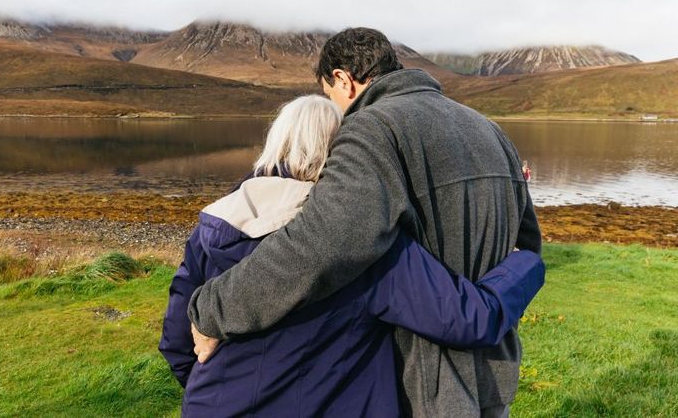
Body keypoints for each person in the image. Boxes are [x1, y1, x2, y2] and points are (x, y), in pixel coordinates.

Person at [188, 28, 543, 417]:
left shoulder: (372, 127)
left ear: (344, 79)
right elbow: (526, 245)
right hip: (495, 367)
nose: (338, 113)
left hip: (425, 384)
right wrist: (494, 304)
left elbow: (322, 243)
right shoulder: (491, 131)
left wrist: (212, 310)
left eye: (330, 96)